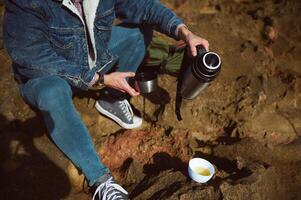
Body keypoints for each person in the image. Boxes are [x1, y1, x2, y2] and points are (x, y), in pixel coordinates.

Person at [3, 0, 209, 199]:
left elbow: (143, 6)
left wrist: (185, 32)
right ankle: (101, 182)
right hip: (48, 73)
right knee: (52, 93)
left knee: (139, 33)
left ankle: (112, 100)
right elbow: (34, 57)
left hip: (90, 58)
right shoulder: (25, 3)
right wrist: (100, 79)